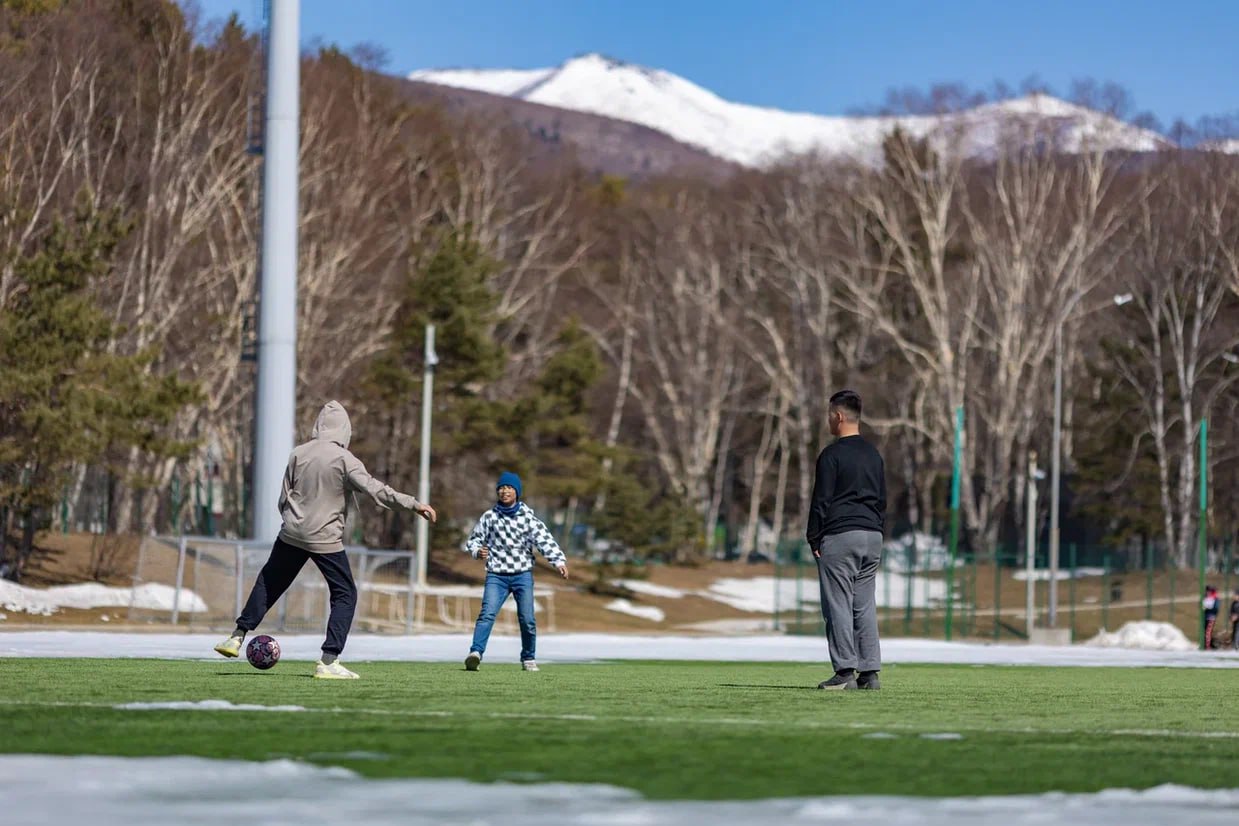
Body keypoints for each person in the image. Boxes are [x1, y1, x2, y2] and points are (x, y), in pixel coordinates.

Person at [214, 400, 436, 678]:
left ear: (319, 426)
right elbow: (375, 489)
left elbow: (284, 496)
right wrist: (414, 504)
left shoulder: (299, 453)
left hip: (292, 533)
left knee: (269, 582)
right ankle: (329, 660)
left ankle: (236, 636)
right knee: (345, 594)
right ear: (345, 430)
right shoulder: (345, 459)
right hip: (324, 538)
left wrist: (292, 521)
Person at [806, 389, 886, 691]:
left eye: (829, 415)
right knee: (863, 604)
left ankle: (844, 672)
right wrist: (878, 531)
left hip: (841, 535)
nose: (828, 420)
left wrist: (813, 534)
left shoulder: (832, 455)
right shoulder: (873, 454)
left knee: (837, 604)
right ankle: (870, 673)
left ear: (838, 416)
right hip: (872, 536)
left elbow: (821, 500)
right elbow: (882, 500)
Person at [463, 472, 568, 672]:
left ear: (517, 492)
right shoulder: (490, 516)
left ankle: (528, 657)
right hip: (496, 575)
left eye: (509, 488)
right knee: (487, 614)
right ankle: (475, 653)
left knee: (527, 619)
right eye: (501, 488)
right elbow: (474, 540)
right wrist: (478, 551)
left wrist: (558, 561)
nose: (505, 491)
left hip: (522, 574)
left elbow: (544, 540)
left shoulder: (528, 518)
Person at [1203, 585, 1220, 650]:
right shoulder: (1205, 598)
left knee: (1208, 632)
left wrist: (1208, 608)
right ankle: (1207, 645)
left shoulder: (1215, 598)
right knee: (1205, 632)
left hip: (1211, 618)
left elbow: (1216, 609)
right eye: (1207, 591)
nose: (1207, 592)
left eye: (1209, 591)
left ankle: (1207, 647)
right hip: (1205, 617)